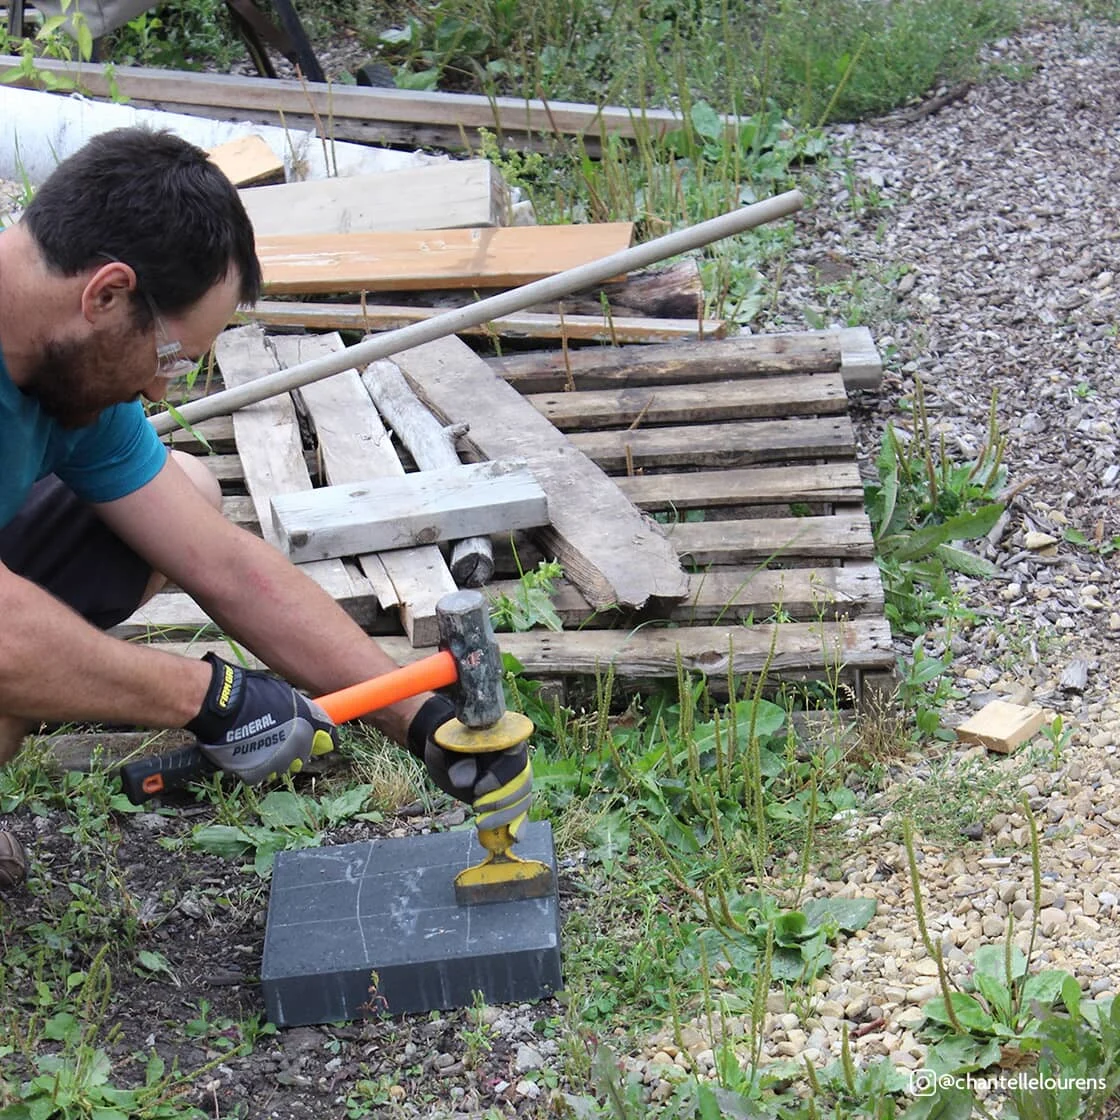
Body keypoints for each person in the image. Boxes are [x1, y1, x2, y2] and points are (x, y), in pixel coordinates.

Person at [0, 127, 530, 888]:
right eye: (171, 357)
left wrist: (418, 720)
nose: (162, 390)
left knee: (185, 488)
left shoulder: (64, 371)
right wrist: (204, 695)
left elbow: (223, 565)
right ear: (106, 294)